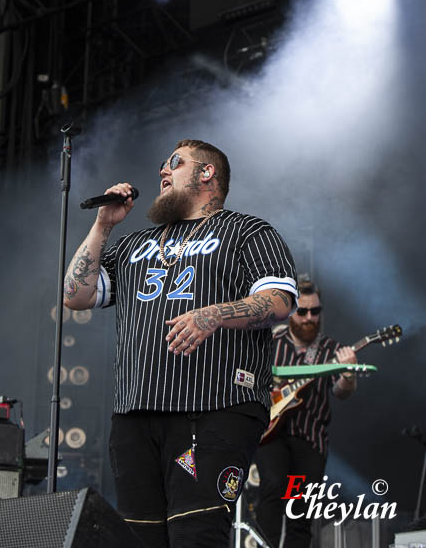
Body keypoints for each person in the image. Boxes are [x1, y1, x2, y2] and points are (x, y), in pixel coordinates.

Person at [63, 139, 298, 548]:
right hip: (135, 412)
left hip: (215, 407)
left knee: (196, 534)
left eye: (175, 162)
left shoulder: (247, 231)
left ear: (207, 173)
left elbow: (280, 301)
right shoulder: (135, 244)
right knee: (139, 537)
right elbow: (76, 295)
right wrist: (103, 225)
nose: (162, 171)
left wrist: (212, 314)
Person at [254, 276, 357, 548]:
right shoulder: (269, 342)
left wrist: (348, 376)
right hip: (270, 433)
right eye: (302, 311)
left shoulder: (331, 350)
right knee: (273, 487)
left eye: (316, 311)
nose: (310, 317)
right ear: (290, 311)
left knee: (301, 507)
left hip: (310, 437)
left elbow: (341, 392)